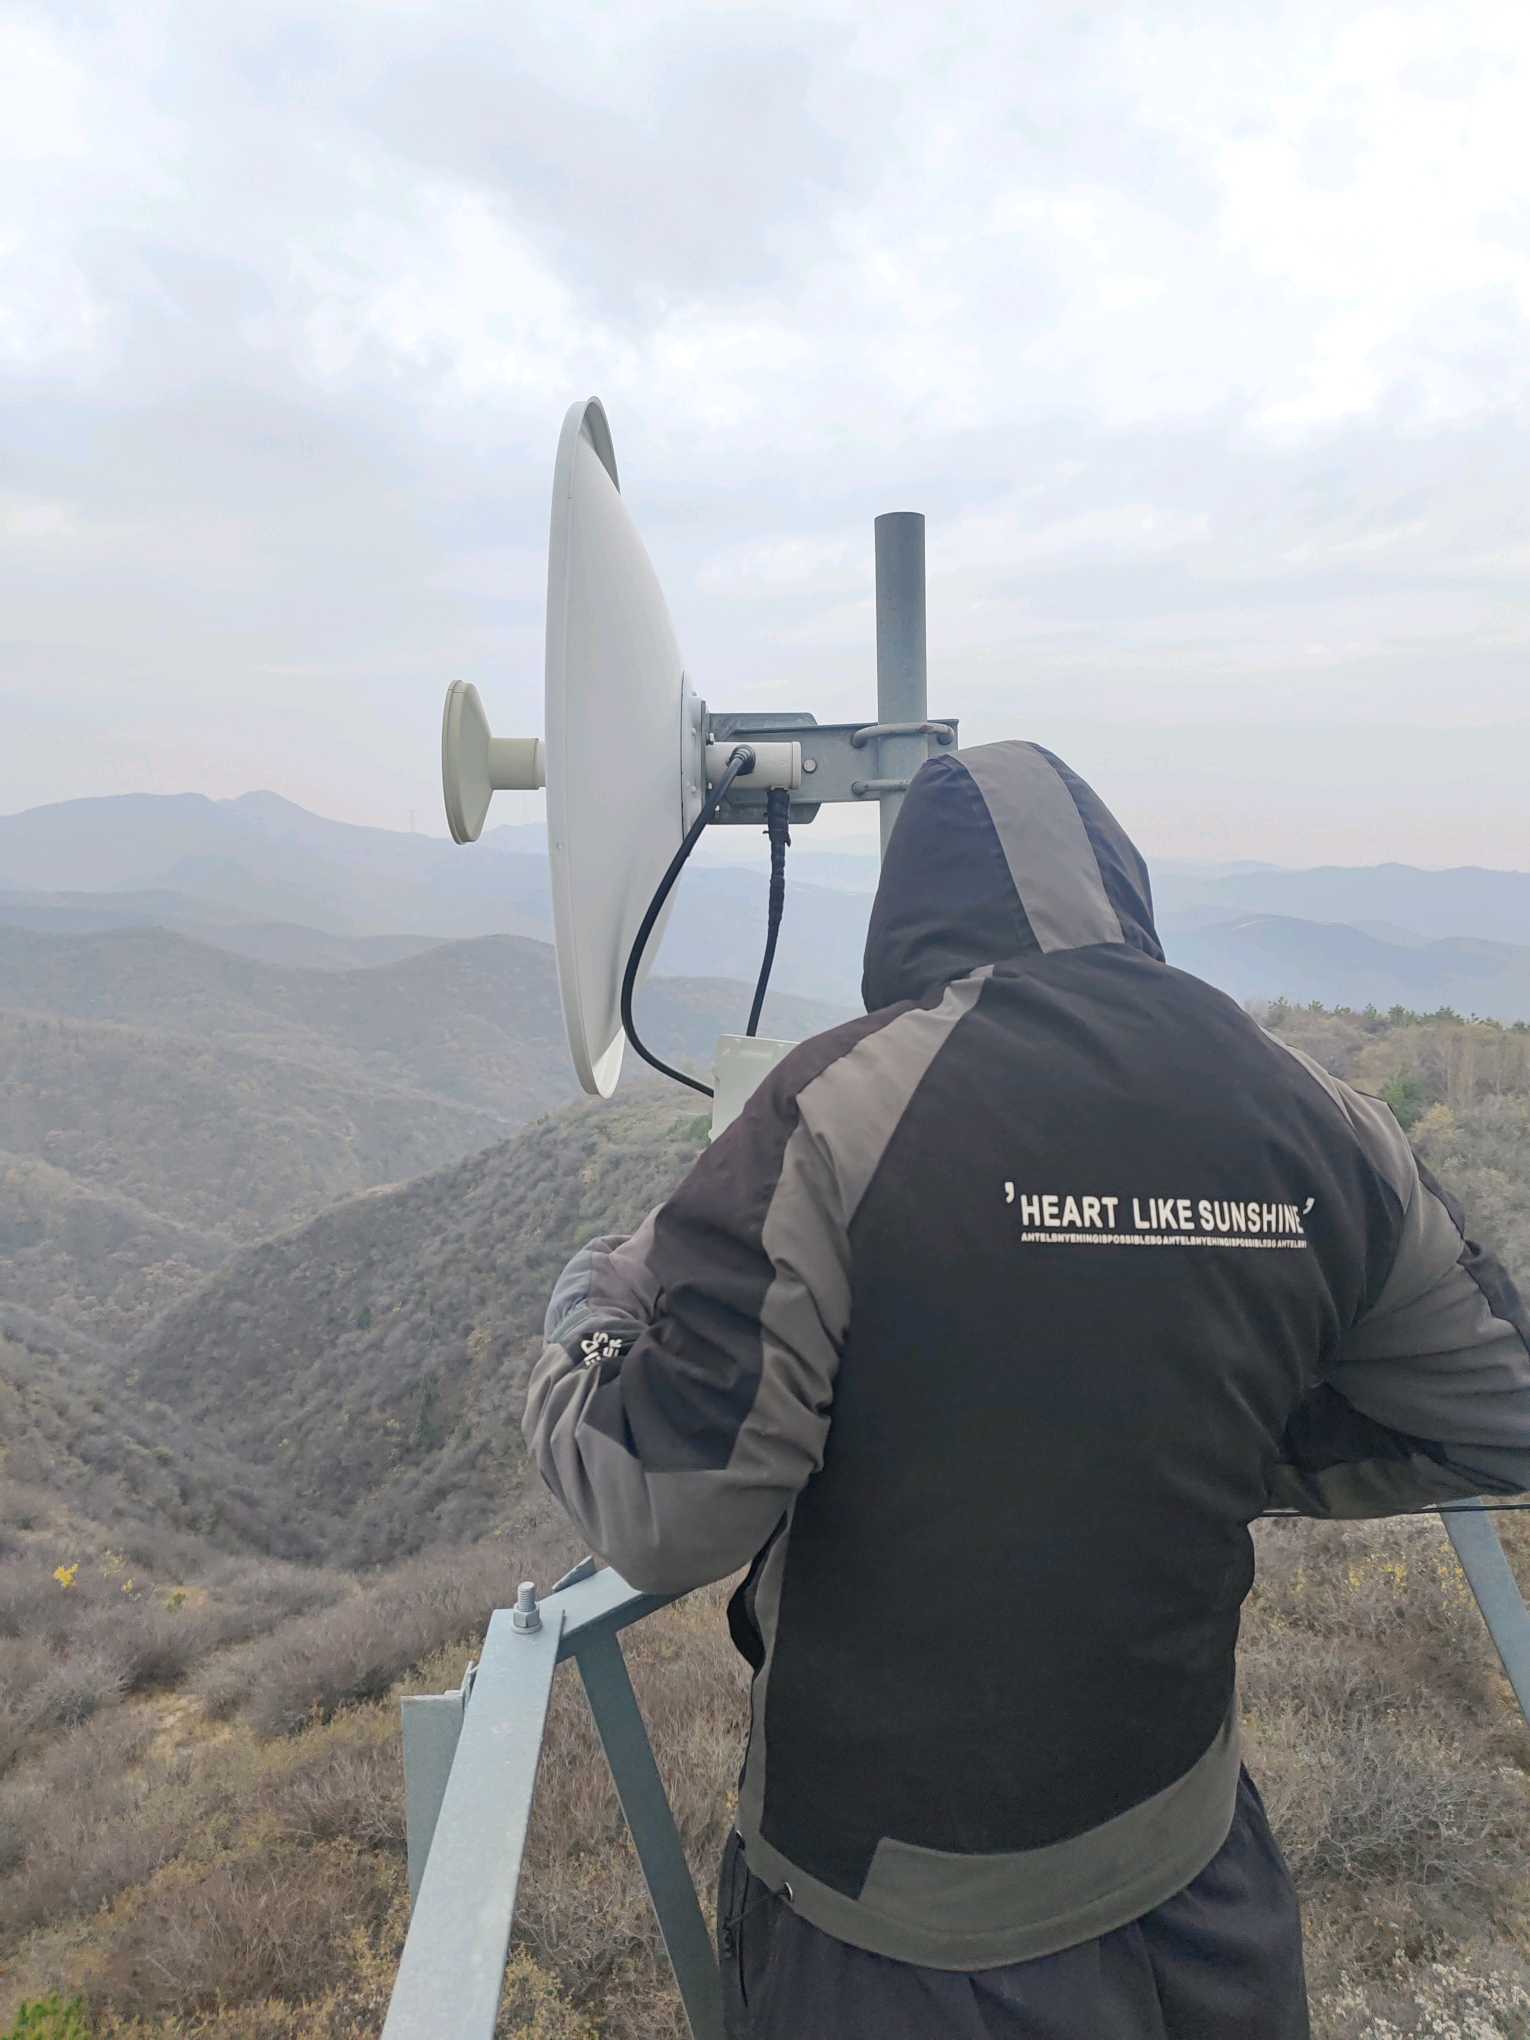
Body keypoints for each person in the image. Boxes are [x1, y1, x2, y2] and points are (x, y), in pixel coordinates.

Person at [523, 740, 1530, 2040]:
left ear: (911, 915)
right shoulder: (1317, 1111)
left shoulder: (834, 1108)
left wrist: (590, 1307)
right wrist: (1192, 1428)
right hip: (1201, 1874)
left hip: (896, 1924)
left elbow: (666, 1504)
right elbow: (1495, 1408)